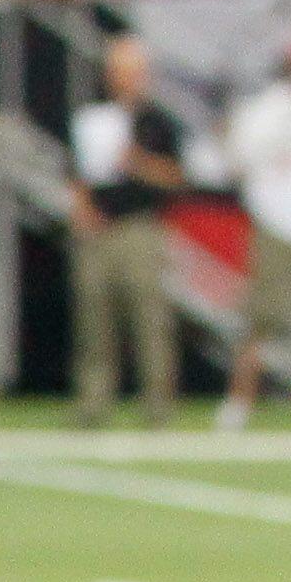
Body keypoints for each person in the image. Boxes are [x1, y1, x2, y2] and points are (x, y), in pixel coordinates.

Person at [68, 32, 188, 430]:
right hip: (100, 228)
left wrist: (138, 162)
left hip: (140, 227)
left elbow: (176, 177)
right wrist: (83, 212)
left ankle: (158, 407)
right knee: (94, 322)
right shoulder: (92, 117)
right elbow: (77, 174)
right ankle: (92, 405)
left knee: (150, 321)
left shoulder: (157, 121)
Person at [219, 37, 291, 431]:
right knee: (260, 317)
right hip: (277, 223)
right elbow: (236, 160)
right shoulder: (261, 111)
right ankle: (239, 402)